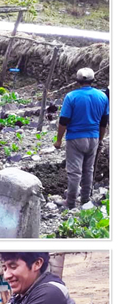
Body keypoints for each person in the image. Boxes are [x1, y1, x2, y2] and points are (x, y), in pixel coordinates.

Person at [54, 68, 109, 209]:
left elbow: (64, 120)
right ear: (93, 80)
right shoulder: (102, 97)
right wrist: (100, 139)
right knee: (88, 170)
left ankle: (70, 202)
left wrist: (59, 140)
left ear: (77, 81)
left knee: (74, 172)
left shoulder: (71, 96)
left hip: (75, 138)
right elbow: (104, 122)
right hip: (93, 138)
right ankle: (85, 199)